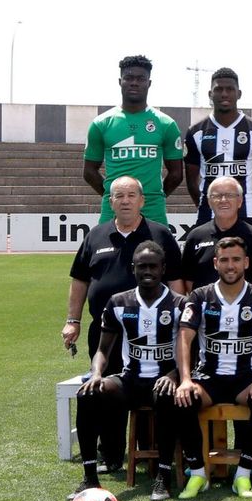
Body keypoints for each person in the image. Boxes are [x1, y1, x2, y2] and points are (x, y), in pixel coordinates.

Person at [64, 177, 185, 471]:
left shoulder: (159, 234)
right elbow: (80, 279)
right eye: (119, 196)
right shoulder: (96, 235)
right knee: (109, 389)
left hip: (154, 329)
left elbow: (176, 281)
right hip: (106, 327)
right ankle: (112, 455)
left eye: (132, 195)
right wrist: (72, 320)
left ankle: (150, 452)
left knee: (150, 385)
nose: (126, 200)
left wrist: (184, 320)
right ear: (111, 202)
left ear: (142, 201)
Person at [71, 242, 187, 501]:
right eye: (142, 266)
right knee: (87, 395)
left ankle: (163, 477)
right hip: (130, 381)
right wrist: (97, 374)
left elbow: (191, 350)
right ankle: (90, 477)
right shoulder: (119, 302)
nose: (148, 271)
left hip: (164, 381)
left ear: (163, 269)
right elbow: (102, 350)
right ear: (132, 268)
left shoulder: (180, 304)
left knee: (169, 396)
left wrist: (174, 375)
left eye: (153, 266)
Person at [172, 236, 252, 499]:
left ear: (246, 263)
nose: (231, 266)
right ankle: (198, 473)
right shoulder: (200, 296)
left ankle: (243, 474)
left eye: (236, 260)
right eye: (225, 260)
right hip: (209, 378)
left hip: (247, 378)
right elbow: (184, 338)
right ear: (216, 263)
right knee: (183, 401)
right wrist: (185, 379)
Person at [83, 55, 184, 224]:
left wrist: (151, 197)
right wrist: (115, 196)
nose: (134, 83)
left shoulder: (166, 124)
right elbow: (89, 172)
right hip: (112, 212)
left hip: (153, 211)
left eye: (140, 79)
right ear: (120, 81)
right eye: (129, 78)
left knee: (158, 251)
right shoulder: (101, 123)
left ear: (149, 83)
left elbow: (177, 173)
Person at [181, 67, 252, 224]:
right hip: (207, 215)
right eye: (218, 89)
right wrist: (207, 204)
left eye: (230, 89)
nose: (224, 94)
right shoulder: (196, 131)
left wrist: (250, 207)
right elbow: (191, 181)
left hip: (246, 215)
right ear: (210, 94)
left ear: (239, 94)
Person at [180, 176, 252, 289]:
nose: (223, 200)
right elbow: (188, 280)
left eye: (230, 195)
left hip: (245, 306)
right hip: (206, 306)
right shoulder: (195, 237)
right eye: (217, 196)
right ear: (209, 202)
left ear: (240, 201)